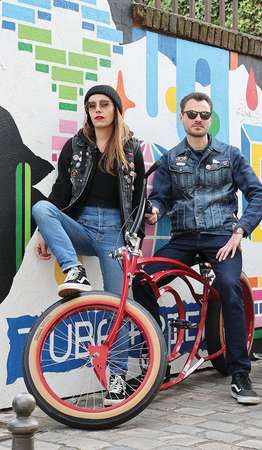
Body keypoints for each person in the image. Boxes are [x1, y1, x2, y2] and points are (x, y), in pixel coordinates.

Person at [133, 92, 262, 405]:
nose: (197, 119)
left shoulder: (230, 155)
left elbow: (258, 195)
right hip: (182, 239)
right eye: (191, 114)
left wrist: (240, 230)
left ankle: (240, 374)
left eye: (203, 115)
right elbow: (162, 199)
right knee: (142, 282)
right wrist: (153, 209)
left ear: (211, 119)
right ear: (182, 117)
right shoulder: (170, 159)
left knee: (229, 286)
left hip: (221, 236)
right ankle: (156, 365)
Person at [32, 84, 145, 404]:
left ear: (115, 110)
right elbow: (60, 192)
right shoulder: (75, 146)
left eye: (104, 104)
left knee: (120, 307)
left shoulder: (132, 149)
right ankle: (74, 271)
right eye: (92, 105)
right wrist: (45, 232)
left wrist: (132, 242)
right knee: (40, 208)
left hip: (115, 234)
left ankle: (117, 379)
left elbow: (138, 201)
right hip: (80, 226)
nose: (97, 110)